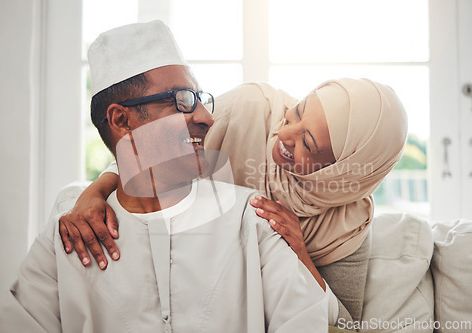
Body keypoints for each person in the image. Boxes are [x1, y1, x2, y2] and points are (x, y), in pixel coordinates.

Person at [0, 21, 328, 332]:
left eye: (200, 99)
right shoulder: (68, 237)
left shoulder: (251, 219)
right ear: (122, 120)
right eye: (182, 101)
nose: (206, 118)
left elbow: (305, 320)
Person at [59, 72, 408, 327]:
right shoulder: (248, 110)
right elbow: (153, 148)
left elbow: (344, 325)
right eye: (298, 111)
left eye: (308, 144)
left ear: (341, 172)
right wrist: (96, 190)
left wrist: (300, 253)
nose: (284, 134)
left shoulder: (347, 224)